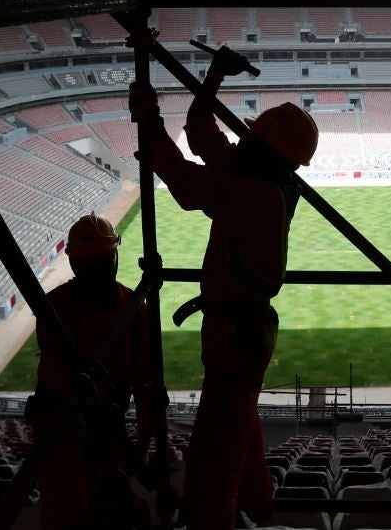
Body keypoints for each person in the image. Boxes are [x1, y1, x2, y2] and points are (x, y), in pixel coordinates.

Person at [133, 46, 318, 530]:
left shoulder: (256, 192)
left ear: (267, 149)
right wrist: (214, 75)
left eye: (252, 134)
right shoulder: (256, 175)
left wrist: (150, 125)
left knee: (213, 455)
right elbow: (200, 132)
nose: (242, 138)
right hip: (237, 331)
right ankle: (259, 504)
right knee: (240, 429)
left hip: (236, 336)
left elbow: (185, 184)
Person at [32, 213, 155, 530]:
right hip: (62, 423)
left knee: (111, 509)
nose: (100, 270)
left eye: (104, 260)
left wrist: (143, 440)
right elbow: (59, 372)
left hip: (106, 424)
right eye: (92, 263)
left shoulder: (132, 307)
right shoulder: (55, 308)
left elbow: (145, 378)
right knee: (66, 511)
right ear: (75, 265)